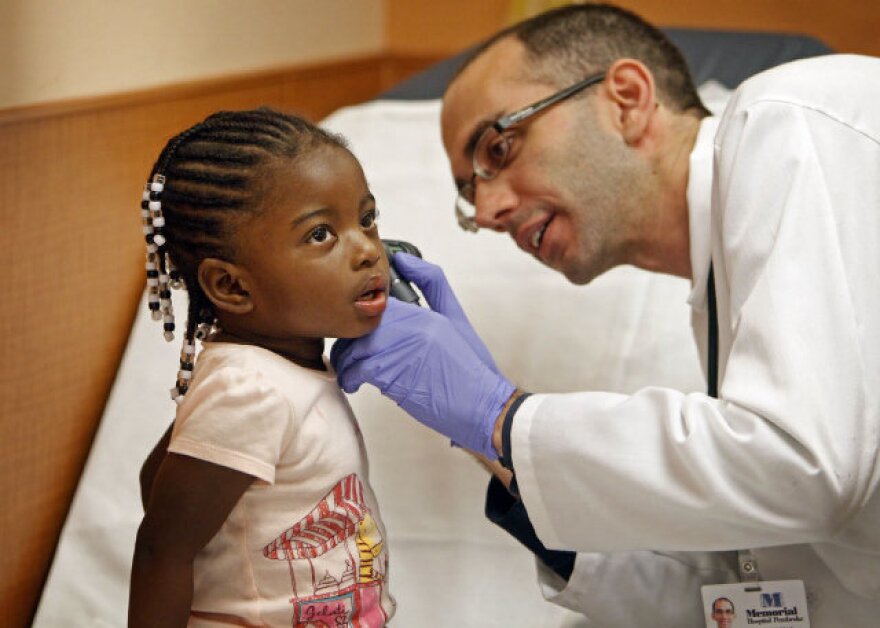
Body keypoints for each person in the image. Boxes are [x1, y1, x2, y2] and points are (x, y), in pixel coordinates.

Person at [331, 2, 880, 625]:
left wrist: (502, 417)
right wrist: (489, 444)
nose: (484, 212)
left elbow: (805, 470)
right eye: (467, 192)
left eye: (498, 147)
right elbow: (749, 590)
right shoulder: (723, 302)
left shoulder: (793, 119)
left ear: (626, 98)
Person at [129, 108, 396, 627]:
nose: (367, 250)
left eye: (366, 218)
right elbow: (163, 546)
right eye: (321, 235)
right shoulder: (251, 388)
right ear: (231, 287)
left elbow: (155, 483)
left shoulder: (275, 373)